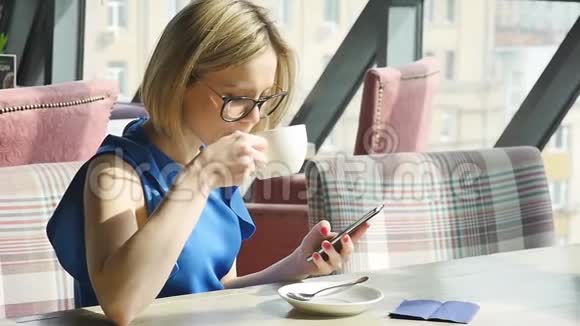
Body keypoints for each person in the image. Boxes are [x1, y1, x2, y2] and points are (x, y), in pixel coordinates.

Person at [46, 1, 370, 325]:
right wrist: (200, 178)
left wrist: (297, 265)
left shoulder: (211, 164)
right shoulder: (117, 172)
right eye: (237, 98)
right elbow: (121, 304)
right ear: (179, 79)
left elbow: (219, 290)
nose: (254, 117)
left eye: (262, 99)